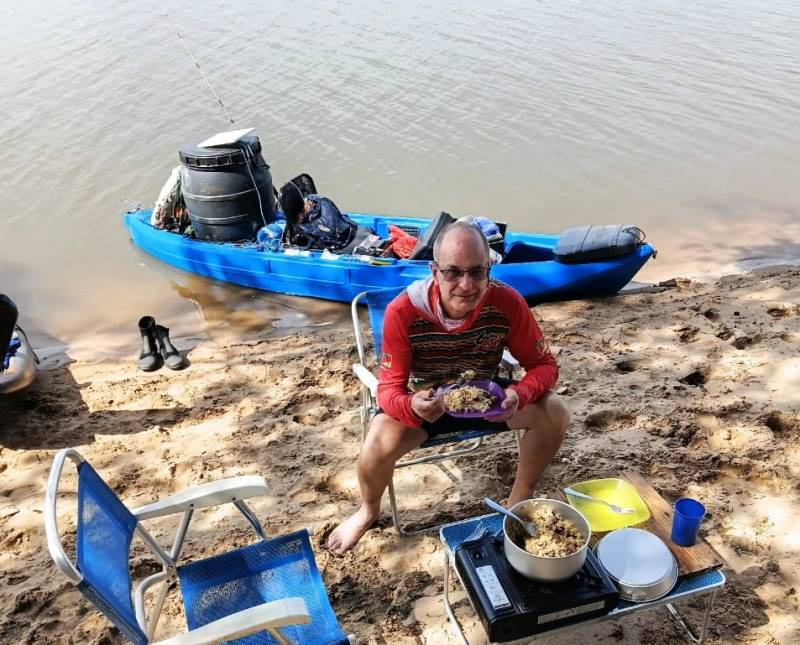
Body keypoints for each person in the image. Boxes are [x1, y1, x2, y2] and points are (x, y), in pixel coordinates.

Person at [327, 221, 569, 555]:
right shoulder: (404, 311)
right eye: (453, 272)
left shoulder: (507, 303)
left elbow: (545, 366)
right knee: (375, 445)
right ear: (434, 271)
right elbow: (388, 390)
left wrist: (518, 393)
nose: (466, 285)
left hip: (487, 401)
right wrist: (412, 406)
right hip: (427, 404)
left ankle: (519, 497)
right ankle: (368, 510)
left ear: (489, 268)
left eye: (476, 272)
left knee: (555, 409)